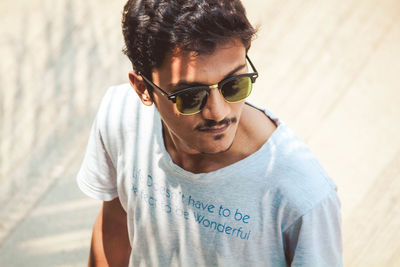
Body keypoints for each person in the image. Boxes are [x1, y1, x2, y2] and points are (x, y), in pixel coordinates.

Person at [77, 0, 343, 266]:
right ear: (142, 89)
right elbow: (115, 223)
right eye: (191, 96)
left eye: (234, 84)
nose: (218, 112)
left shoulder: (303, 196)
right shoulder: (120, 116)